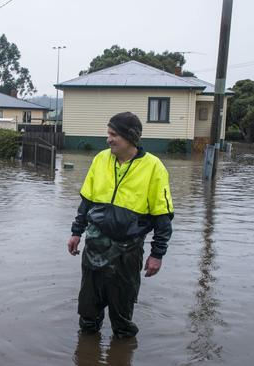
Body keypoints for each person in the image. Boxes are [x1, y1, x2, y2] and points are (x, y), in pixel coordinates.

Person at [67, 111, 174, 339]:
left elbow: (163, 218)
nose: (108, 139)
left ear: (130, 137)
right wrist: (76, 233)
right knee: (88, 314)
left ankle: (122, 354)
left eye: (113, 134)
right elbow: (86, 201)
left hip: (127, 253)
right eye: (108, 133)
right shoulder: (100, 159)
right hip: (94, 246)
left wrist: (157, 254)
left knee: (122, 319)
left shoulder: (154, 168)